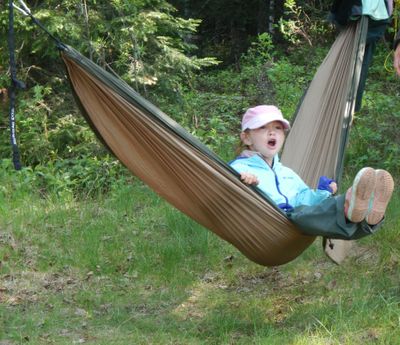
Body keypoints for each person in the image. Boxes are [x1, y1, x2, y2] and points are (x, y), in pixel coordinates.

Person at [230, 105, 394, 240]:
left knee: (308, 212)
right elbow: (228, 191)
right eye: (262, 127)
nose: (272, 132)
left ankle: (369, 218)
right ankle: (347, 205)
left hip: (296, 220)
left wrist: (322, 193)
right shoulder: (240, 168)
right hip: (268, 222)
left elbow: (303, 196)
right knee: (301, 214)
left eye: (278, 128)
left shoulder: (286, 172)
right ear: (246, 138)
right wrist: (246, 182)